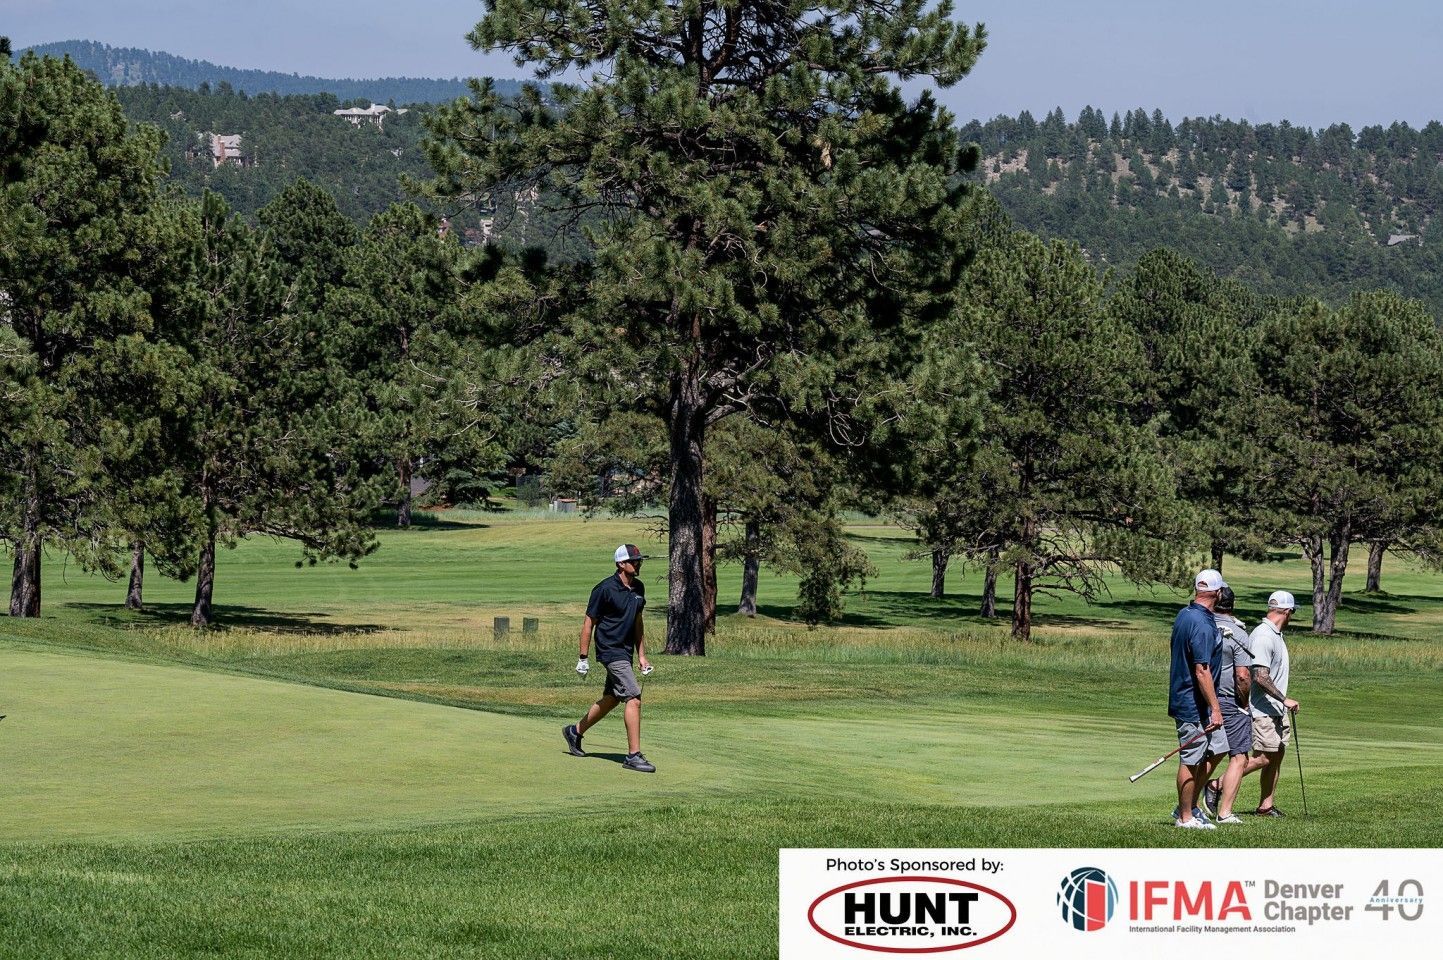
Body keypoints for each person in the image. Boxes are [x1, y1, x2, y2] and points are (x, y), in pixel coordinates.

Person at [562, 544, 656, 773]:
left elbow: (637, 623)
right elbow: (588, 623)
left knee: (613, 697)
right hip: (609, 650)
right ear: (621, 564)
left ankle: (575, 732)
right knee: (633, 696)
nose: (638, 564)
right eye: (634, 561)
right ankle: (633, 756)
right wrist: (582, 657)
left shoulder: (639, 588)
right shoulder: (604, 589)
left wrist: (642, 655)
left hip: (625, 651)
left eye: (639, 561)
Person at [1167, 568, 1228, 829]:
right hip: (1192, 703)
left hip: (1194, 700)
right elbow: (1202, 671)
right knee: (1191, 759)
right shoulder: (1202, 624)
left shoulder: (1186, 614)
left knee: (1219, 748)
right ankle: (1185, 817)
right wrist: (1216, 708)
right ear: (1217, 592)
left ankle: (1189, 804)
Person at [1230, 590, 1300, 816]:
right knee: (1263, 757)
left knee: (1276, 756)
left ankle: (1265, 805)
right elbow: (1259, 676)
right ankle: (1216, 785)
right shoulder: (1263, 635)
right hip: (1262, 709)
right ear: (1288, 612)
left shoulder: (1275, 634)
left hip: (1276, 709)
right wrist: (1284, 698)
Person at [1202, 587, 1255, 824]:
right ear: (1233, 605)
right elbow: (1242, 676)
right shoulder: (1237, 632)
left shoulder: (1202, 626)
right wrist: (1244, 703)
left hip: (1203, 696)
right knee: (1239, 756)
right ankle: (1225, 812)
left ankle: (1187, 804)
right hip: (1229, 699)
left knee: (1208, 752)